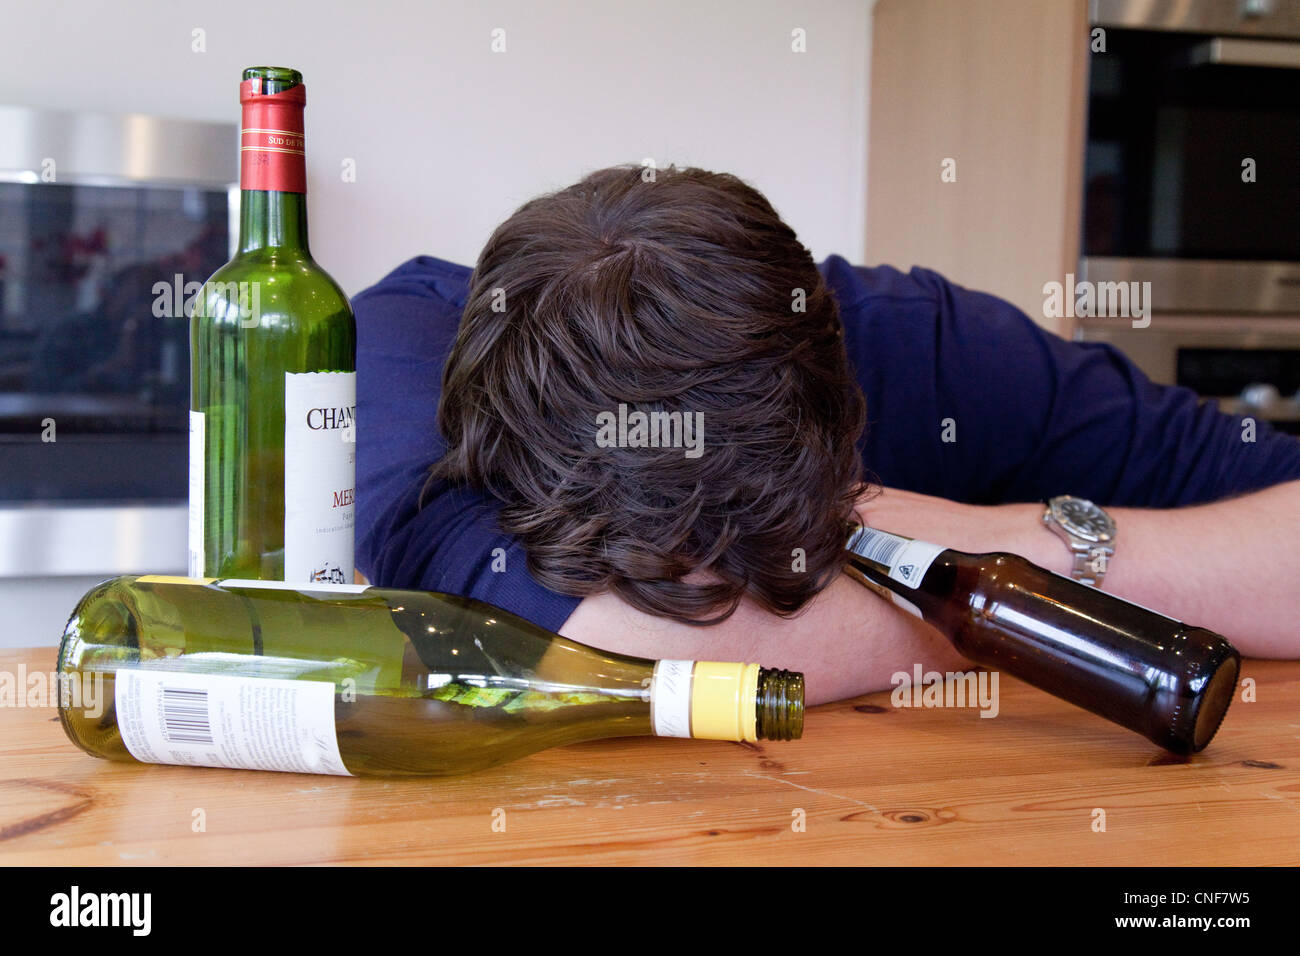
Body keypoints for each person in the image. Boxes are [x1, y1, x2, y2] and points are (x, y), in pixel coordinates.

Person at [354, 165, 1300, 705]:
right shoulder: (398, 360)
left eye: (780, 561)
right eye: (677, 574)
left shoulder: (926, 342)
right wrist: (983, 580)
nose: (726, 591)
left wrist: (1035, 560)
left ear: (839, 400)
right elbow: (561, 644)